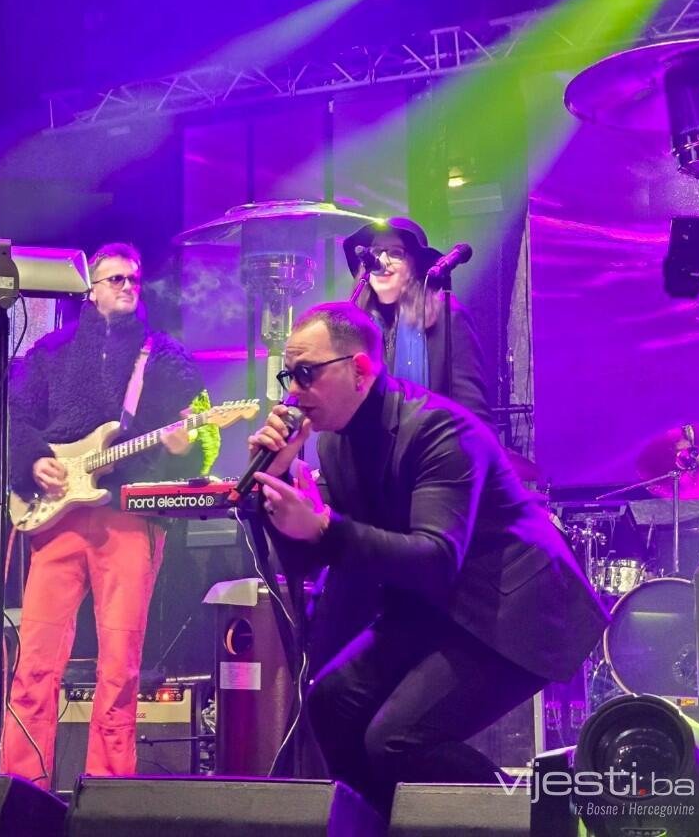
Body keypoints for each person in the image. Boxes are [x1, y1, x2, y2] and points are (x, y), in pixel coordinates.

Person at [250, 302, 607, 817]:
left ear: (359, 369)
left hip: (514, 610)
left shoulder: (440, 431)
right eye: (290, 376)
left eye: (306, 374)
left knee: (396, 740)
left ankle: (537, 821)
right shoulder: (336, 447)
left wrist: (324, 524)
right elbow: (314, 558)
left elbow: (435, 557)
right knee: (331, 703)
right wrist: (277, 479)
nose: (292, 393)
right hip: (435, 605)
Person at [1, 241, 216, 789]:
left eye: (133, 279)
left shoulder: (164, 355)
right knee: (35, 663)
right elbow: (14, 420)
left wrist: (186, 448)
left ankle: (108, 793)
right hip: (57, 517)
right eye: (115, 278)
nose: (127, 287)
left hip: (129, 517)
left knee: (119, 669)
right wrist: (34, 461)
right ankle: (21, 790)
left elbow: (205, 432)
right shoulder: (49, 351)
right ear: (91, 289)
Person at [342, 217, 494, 426]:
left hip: (431, 444)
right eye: (376, 252)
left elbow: (473, 413)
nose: (382, 261)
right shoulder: (354, 326)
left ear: (415, 266)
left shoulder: (447, 316)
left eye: (396, 253)